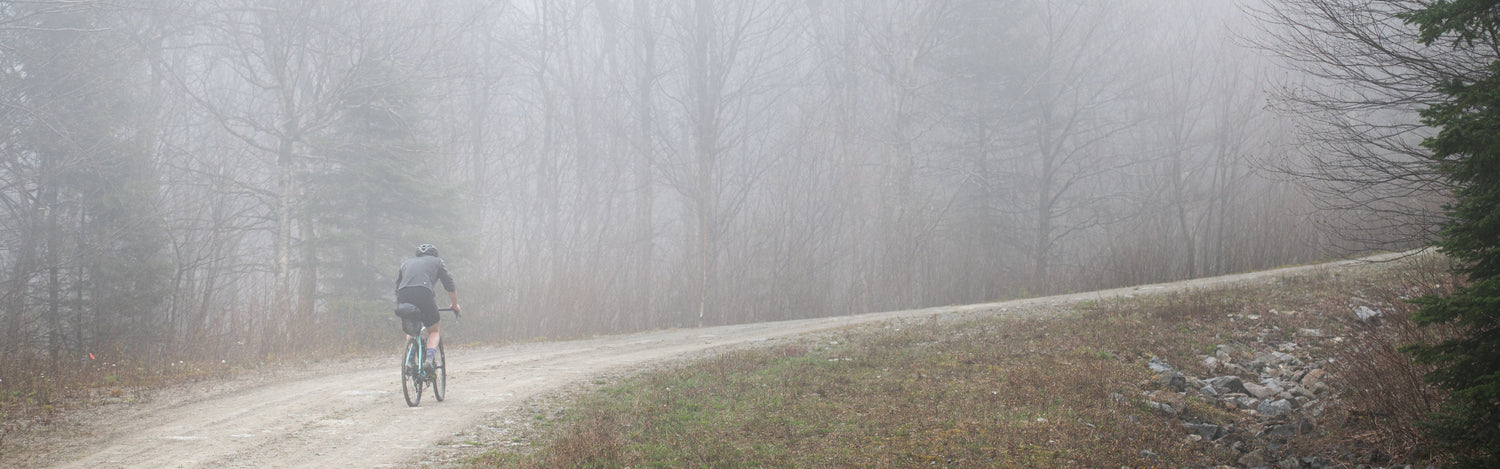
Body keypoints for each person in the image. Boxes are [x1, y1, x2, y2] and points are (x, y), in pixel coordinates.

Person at [395, 243, 459, 369]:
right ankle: (429, 361)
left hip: (403, 294)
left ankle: (410, 361)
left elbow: (398, 286)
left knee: (411, 328)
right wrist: (455, 305)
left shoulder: (406, 263)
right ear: (434, 254)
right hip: (423, 292)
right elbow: (449, 285)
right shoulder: (437, 262)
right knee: (434, 330)